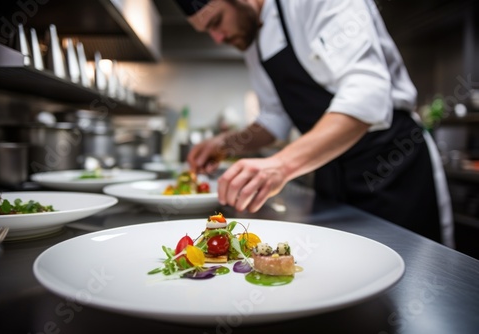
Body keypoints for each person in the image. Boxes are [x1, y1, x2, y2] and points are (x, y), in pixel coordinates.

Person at [173, 0, 454, 247]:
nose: (217, 37)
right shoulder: (252, 42)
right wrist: (224, 144)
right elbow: (275, 118)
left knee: (409, 278)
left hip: (391, 165)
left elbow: (367, 93)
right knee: (343, 275)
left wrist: (281, 166)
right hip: (329, 169)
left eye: (217, 21)